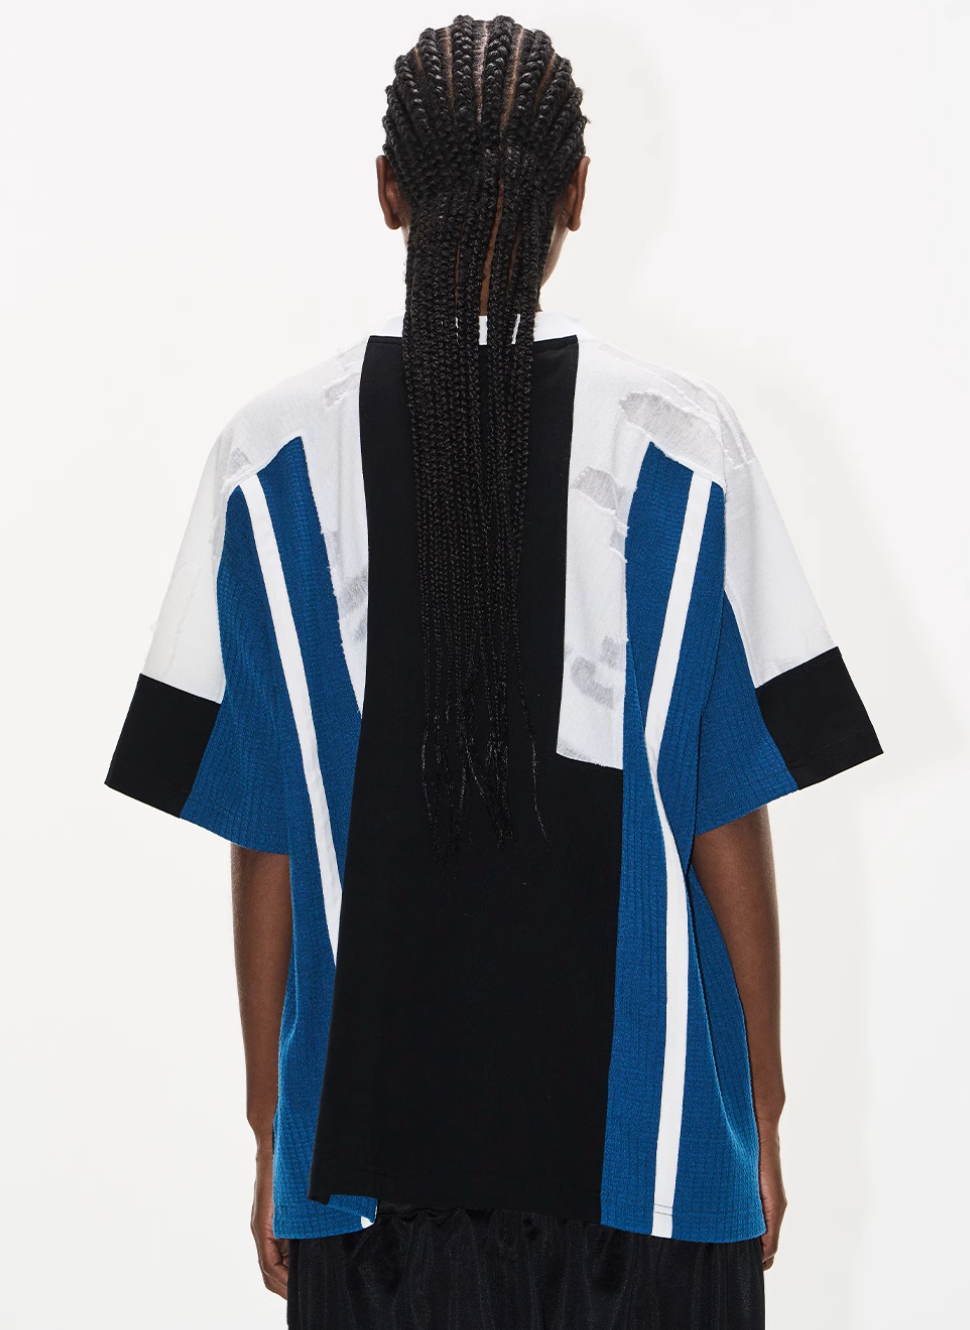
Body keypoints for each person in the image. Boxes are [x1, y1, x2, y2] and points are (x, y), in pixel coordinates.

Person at [104, 13, 882, 1329]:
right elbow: (721, 804)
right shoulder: (682, 443)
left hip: (369, 1180)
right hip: (644, 1166)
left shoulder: (267, 460)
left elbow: (269, 828)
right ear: (577, 192)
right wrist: (755, 1102)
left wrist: (272, 1128)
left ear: (387, 189)